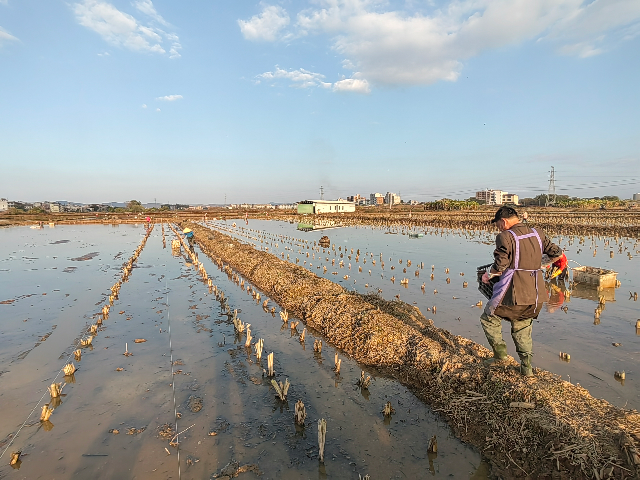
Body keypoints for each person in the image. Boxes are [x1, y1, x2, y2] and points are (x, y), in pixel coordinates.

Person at [480, 206, 566, 376]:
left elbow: (500, 266)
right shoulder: (538, 233)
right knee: (522, 327)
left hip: (513, 291)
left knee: (489, 318)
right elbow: (558, 253)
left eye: (498, 224)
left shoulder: (504, 237)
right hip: (536, 294)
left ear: (503, 221)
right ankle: (526, 367)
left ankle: (500, 355)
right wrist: (541, 264)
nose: (498, 228)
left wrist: (487, 275)